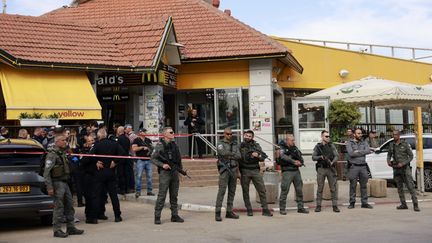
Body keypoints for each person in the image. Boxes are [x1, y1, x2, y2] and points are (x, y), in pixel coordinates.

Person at [43, 135, 84, 238]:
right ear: (57, 142)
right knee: (59, 207)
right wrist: (49, 187)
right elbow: (46, 172)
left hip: (65, 182)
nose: (65, 142)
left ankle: (71, 228)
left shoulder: (62, 153)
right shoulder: (52, 155)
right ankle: (57, 230)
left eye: (65, 140)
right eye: (63, 140)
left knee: (70, 205)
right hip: (57, 183)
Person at [152, 127, 184, 225]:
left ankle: (174, 215)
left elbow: (179, 159)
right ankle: (157, 216)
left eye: (173, 131)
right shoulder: (159, 145)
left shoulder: (174, 145)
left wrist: (180, 172)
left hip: (174, 172)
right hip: (165, 173)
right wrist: (163, 165)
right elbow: (153, 158)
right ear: (165, 134)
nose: (173, 133)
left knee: (174, 196)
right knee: (162, 195)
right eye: (171, 132)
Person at [92, 128, 125, 223]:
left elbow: (90, 156)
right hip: (110, 172)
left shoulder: (97, 145)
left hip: (100, 172)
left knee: (97, 195)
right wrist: (115, 161)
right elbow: (122, 153)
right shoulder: (114, 143)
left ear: (98, 136)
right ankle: (117, 216)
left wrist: (95, 162)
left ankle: (95, 217)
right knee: (113, 195)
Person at [239, 130, 273, 217]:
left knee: (261, 189)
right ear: (244, 136)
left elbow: (262, 157)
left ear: (252, 137)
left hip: (255, 170)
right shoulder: (240, 146)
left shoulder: (256, 145)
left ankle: (265, 209)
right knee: (245, 191)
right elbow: (237, 158)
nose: (247, 137)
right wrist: (237, 172)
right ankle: (249, 209)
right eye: (246, 135)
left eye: (249, 136)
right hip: (244, 171)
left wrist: (257, 155)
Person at [387, 130, 420, 212]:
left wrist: (403, 163)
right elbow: (389, 154)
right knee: (399, 187)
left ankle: (415, 205)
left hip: (405, 169)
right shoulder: (391, 145)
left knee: (410, 187)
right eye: (393, 135)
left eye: (395, 135)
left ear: (399, 136)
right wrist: (388, 161)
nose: (394, 136)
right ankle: (403, 204)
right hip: (396, 168)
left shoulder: (405, 145)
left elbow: (411, 156)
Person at [277, 134, 309, 214]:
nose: (293, 141)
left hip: (296, 171)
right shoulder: (282, 148)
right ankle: (282, 208)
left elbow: (300, 157)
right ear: (287, 140)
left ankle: (300, 207)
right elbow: (283, 157)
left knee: (299, 190)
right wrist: (294, 161)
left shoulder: (295, 148)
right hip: (287, 171)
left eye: (294, 140)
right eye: (292, 140)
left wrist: (300, 162)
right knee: (285, 190)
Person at [215, 128, 241, 221]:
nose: (229, 135)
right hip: (224, 169)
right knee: (222, 191)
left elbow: (239, 156)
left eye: (231, 134)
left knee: (232, 191)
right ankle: (217, 213)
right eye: (228, 134)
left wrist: (230, 155)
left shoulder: (235, 143)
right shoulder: (220, 143)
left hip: (233, 169)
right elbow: (222, 152)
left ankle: (229, 211)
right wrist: (233, 154)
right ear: (224, 134)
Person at [312, 130, 340, 213]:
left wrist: (332, 162)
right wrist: (320, 157)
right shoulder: (318, 146)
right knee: (320, 188)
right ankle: (318, 206)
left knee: (333, 188)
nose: (328, 138)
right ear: (322, 137)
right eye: (326, 136)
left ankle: (335, 206)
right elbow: (313, 157)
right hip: (321, 169)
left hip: (330, 169)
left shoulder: (332, 146)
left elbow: (336, 156)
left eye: (329, 136)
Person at [346, 128, 373, 209]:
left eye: (361, 133)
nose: (360, 135)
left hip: (363, 167)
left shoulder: (364, 142)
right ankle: (352, 203)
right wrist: (362, 152)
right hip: (354, 167)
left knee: (364, 186)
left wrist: (357, 152)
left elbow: (368, 150)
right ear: (354, 134)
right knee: (353, 186)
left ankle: (364, 203)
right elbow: (351, 153)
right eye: (358, 133)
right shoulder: (349, 143)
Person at [79, 135, 98, 224]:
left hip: (95, 176)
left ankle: (93, 216)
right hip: (86, 176)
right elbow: (83, 161)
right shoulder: (84, 150)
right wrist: (90, 155)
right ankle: (88, 216)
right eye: (89, 141)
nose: (92, 142)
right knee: (88, 196)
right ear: (86, 142)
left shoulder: (96, 150)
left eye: (93, 140)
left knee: (94, 196)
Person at [132, 128, 155, 198]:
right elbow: (134, 149)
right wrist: (142, 147)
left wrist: (150, 149)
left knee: (150, 176)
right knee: (138, 176)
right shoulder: (136, 140)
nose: (145, 132)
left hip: (148, 159)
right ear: (140, 132)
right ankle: (138, 192)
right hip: (140, 160)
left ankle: (149, 191)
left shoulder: (148, 140)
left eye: (145, 131)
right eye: (144, 131)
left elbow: (152, 148)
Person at [115, 126, 132, 195]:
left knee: (120, 174)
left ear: (119, 131)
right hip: (127, 157)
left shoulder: (119, 139)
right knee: (126, 173)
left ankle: (122, 189)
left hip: (120, 158)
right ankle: (127, 188)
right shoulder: (127, 139)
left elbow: (117, 149)